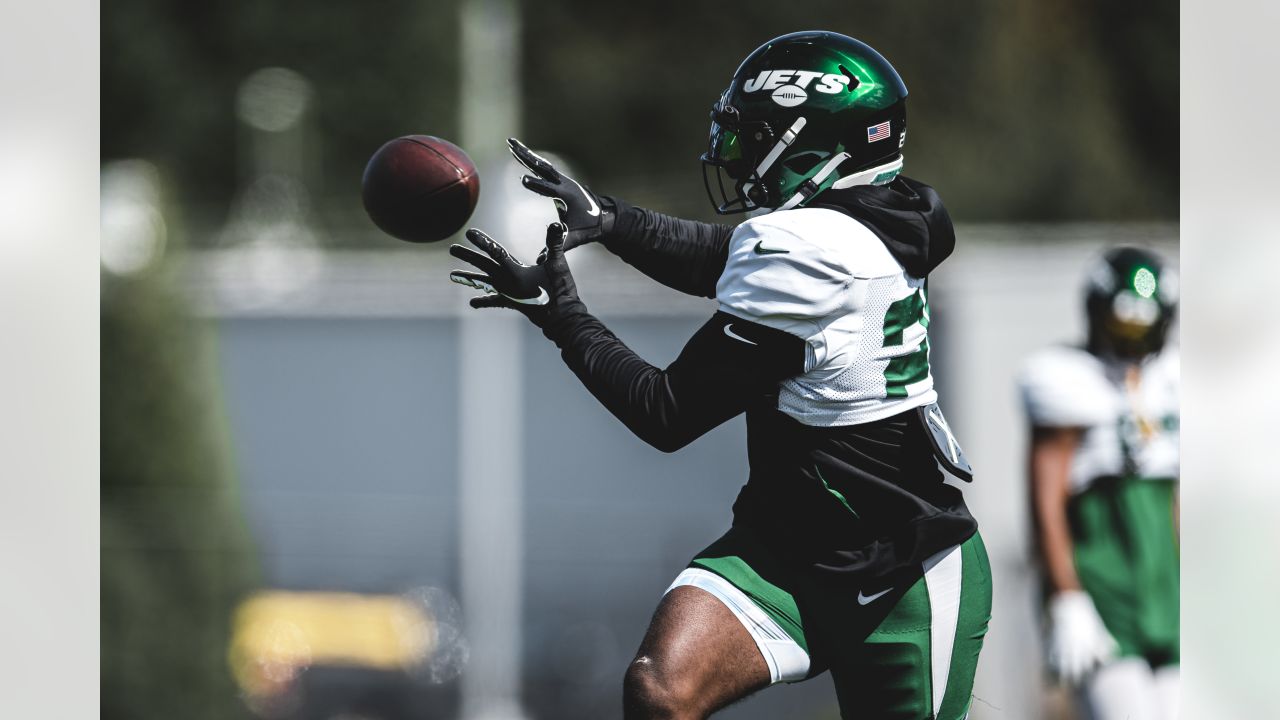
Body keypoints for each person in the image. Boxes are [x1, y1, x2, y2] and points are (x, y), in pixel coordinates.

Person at [450, 31, 990, 720]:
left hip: (897, 578)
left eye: (756, 133)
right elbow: (723, 256)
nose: (734, 152)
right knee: (659, 688)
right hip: (784, 553)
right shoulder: (879, 216)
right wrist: (609, 220)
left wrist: (559, 315)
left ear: (816, 143)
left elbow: (665, 413)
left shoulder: (812, 254)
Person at [1018, 247, 1179, 720]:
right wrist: (1066, 595)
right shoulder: (1065, 377)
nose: (1131, 340)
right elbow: (1045, 498)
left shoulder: (1171, 378)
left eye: (1142, 327)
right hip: (1104, 580)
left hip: (1166, 588)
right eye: (1121, 324)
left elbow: (1178, 501)